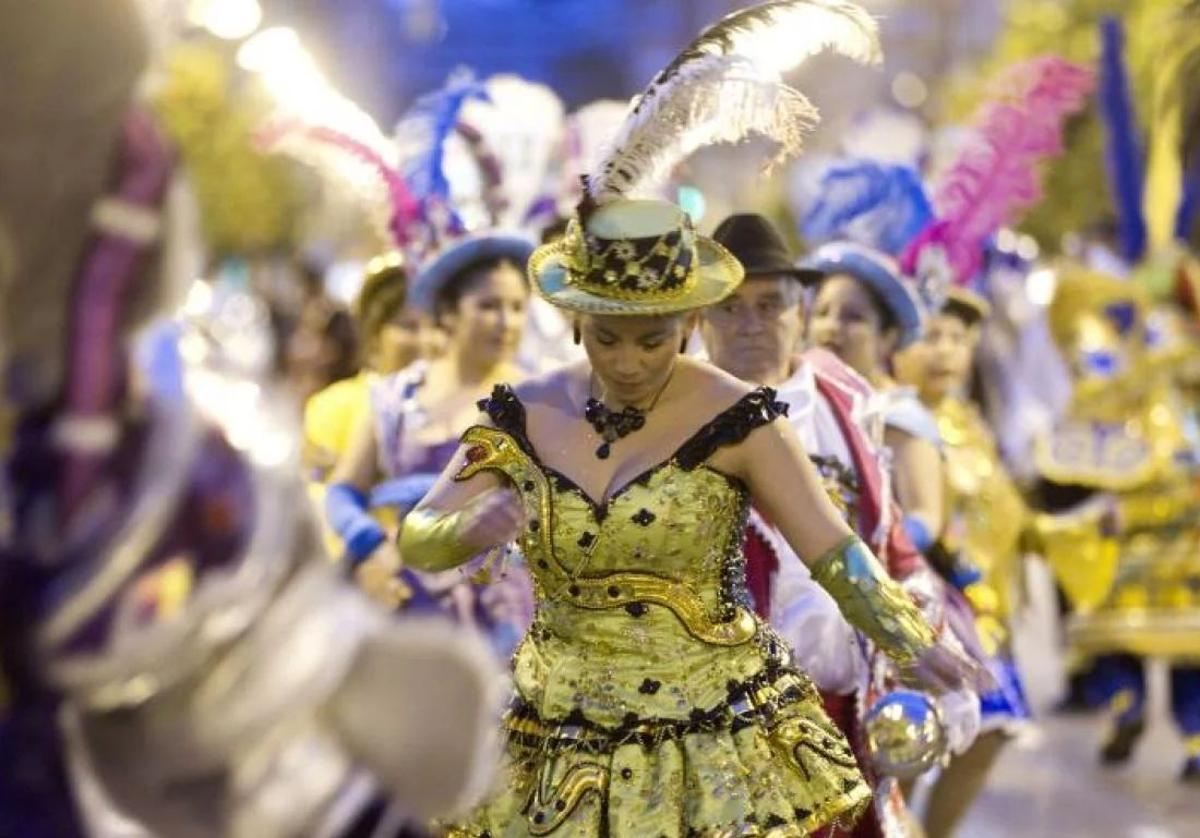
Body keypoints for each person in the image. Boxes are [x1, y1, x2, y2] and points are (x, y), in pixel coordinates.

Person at [400, 198, 978, 836]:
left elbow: (833, 552)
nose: (627, 363)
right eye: (605, 337)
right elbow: (419, 536)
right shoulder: (520, 413)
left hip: (707, 733)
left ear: (691, 321)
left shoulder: (743, 419)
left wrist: (910, 638)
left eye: (653, 340)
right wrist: (465, 530)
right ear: (574, 321)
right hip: (555, 729)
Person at [702, 213, 979, 838]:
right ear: (699, 319)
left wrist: (938, 647)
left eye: (769, 305)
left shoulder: (843, 403)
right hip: (728, 729)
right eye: (730, 307)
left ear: (800, 312)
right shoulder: (677, 416)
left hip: (850, 714)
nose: (750, 324)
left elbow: (894, 550)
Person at [327, 234, 536, 651]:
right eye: (489, 306)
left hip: (501, 609)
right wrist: (368, 546)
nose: (506, 322)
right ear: (448, 315)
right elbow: (343, 490)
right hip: (403, 594)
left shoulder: (540, 399)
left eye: (516, 307)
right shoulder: (395, 395)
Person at [1030, 268, 1200, 782]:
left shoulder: (1157, 335)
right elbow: (1091, 398)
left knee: (1174, 630)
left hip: (1167, 497)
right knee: (1145, 626)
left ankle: (1149, 713)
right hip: (1143, 492)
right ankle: (1145, 713)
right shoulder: (1109, 334)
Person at [898, 287, 1032, 836]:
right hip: (912, 609)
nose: (946, 352)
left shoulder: (970, 422)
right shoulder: (893, 418)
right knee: (903, 739)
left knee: (988, 729)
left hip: (977, 610)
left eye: (958, 339)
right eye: (932, 336)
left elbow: (1006, 514)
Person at [303, 252, 430, 485]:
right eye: (409, 327)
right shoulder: (332, 407)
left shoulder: (461, 406)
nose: (424, 340)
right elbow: (323, 501)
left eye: (434, 326)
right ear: (374, 334)